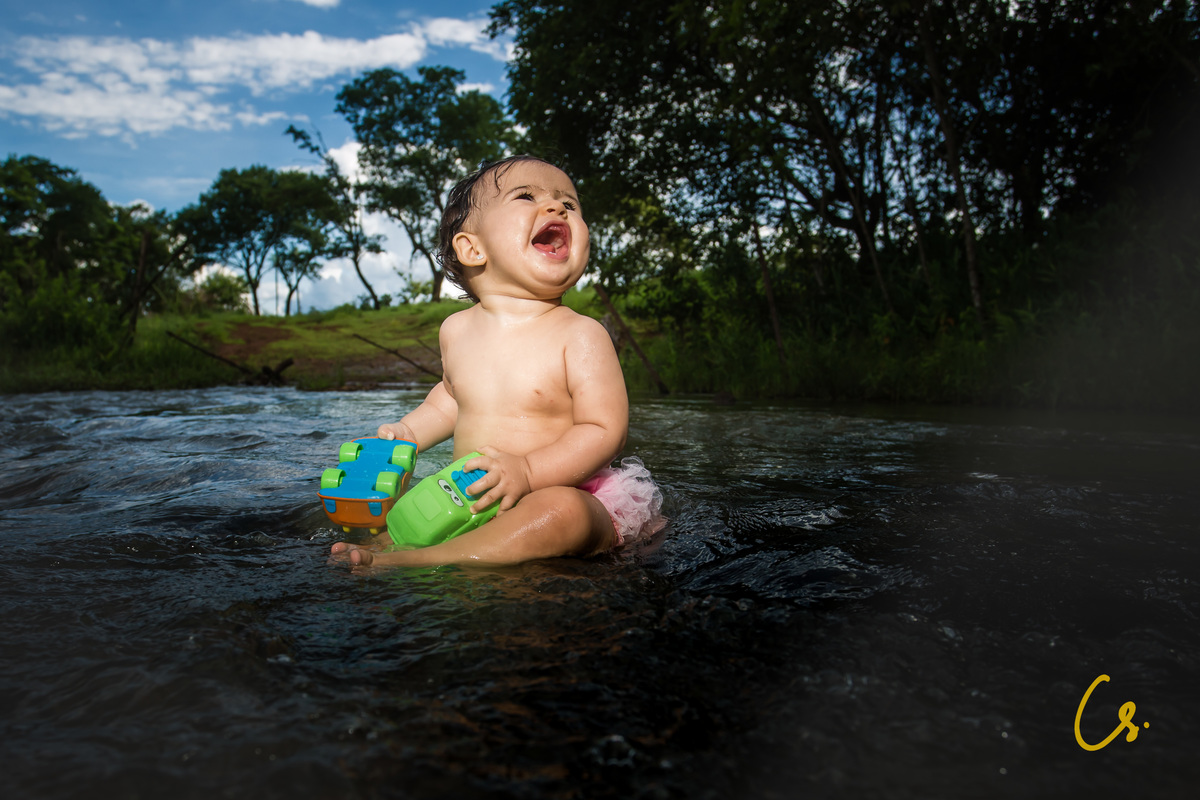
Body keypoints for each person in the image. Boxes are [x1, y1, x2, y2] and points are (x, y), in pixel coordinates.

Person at [330, 156, 664, 568]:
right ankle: (402, 544)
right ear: (472, 248)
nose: (557, 208)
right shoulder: (456, 330)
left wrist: (527, 471)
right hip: (473, 498)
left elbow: (604, 430)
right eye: (526, 196)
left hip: (565, 491)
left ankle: (429, 560)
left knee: (562, 512)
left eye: (569, 204)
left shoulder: (580, 334)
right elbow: (450, 400)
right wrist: (408, 433)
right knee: (410, 509)